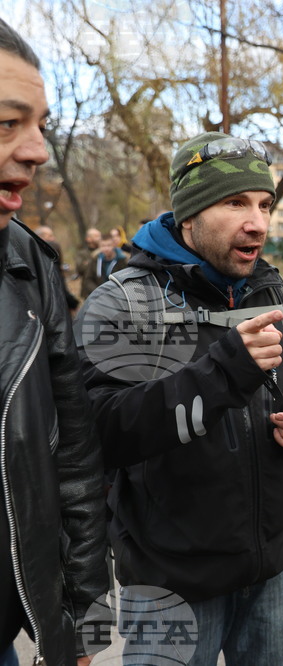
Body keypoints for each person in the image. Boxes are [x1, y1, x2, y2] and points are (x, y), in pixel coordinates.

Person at [74, 131, 283, 665]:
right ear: (188, 214)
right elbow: (96, 433)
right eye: (234, 203)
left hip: (273, 567)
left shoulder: (272, 289)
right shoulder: (126, 301)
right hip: (171, 587)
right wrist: (223, 371)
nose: (257, 222)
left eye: (263, 204)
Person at [0, 18, 108, 665]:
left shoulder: (32, 264)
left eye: (40, 125)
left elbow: (73, 452)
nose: (38, 151)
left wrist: (80, 625)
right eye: (7, 123)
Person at [79, 232, 126, 299]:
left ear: (114, 245)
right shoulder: (95, 259)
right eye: (103, 246)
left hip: (117, 297)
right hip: (98, 296)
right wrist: (98, 291)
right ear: (99, 246)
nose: (106, 249)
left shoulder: (122, 260)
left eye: (109, 245)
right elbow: (88, 279)